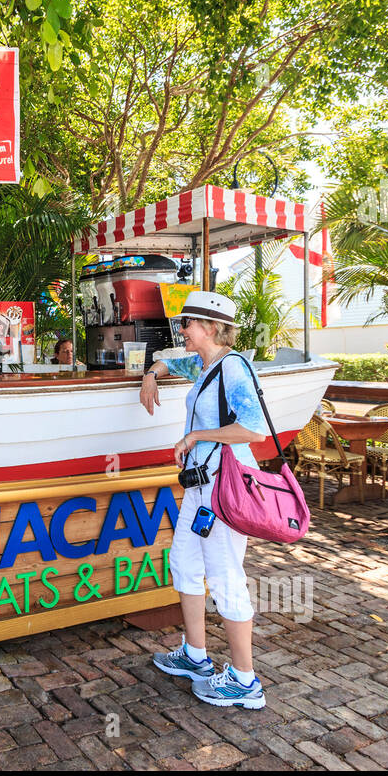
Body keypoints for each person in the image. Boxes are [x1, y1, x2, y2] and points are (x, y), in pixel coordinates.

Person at [137, 290, 271, 709]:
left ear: (212, 328)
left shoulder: (233, 369)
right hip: (200, 486)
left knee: (225, 573)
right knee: (185, 562)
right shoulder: (204, 363)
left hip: (225, 487)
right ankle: (196, 655)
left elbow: (254, 430)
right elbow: (170, 358)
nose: (182, 330)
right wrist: (150, 374)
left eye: (188, 324)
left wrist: (196, 435)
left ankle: (246, 681)